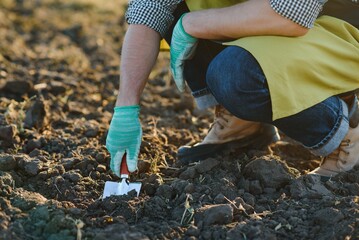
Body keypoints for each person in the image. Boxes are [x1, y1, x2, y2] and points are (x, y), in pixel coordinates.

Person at [106, 0, 359, 180]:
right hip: (265, 25)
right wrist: (126, 109)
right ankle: (243, 122)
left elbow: (291, 13)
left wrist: (193, 23)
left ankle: (347, 128)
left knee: (235, 75)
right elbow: (150, 9)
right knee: (172, 12)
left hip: (332, 27)